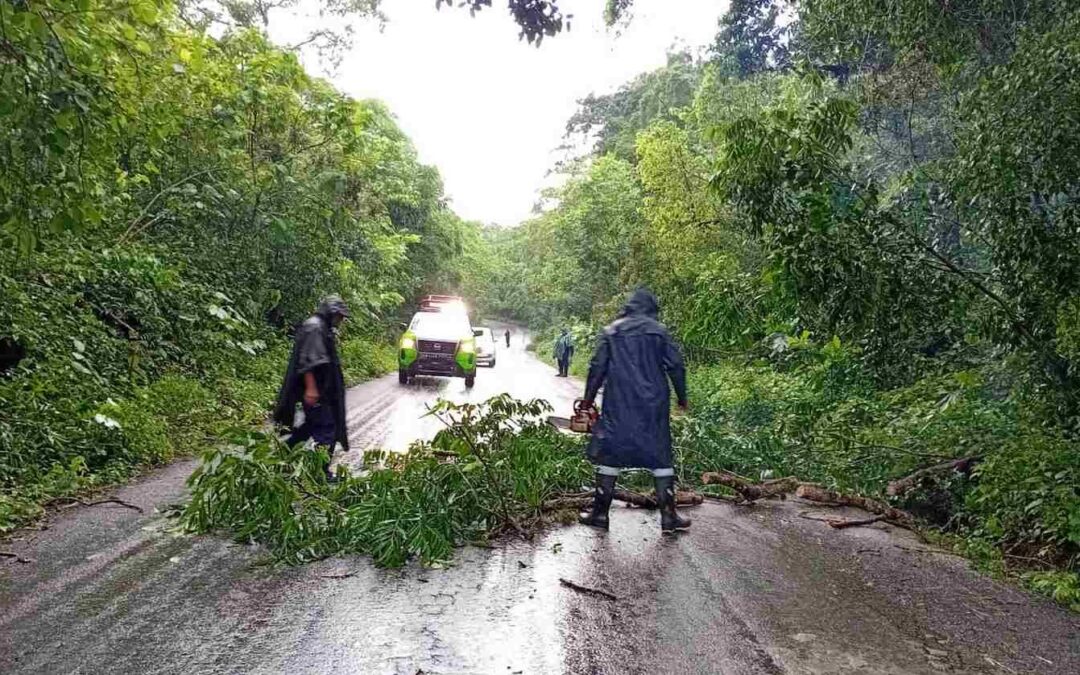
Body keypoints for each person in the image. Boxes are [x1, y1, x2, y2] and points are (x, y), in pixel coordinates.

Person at [578, 288, 690, 533]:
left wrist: (587, 401)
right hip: (653, 406)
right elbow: (676, 366)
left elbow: (597, 367)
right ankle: (669, 517)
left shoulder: (612, 331)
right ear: (651, 309)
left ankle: (599, 514)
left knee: (610, 453)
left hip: (618, 403)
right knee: (660, 454)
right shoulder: (659, 332)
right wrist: (682, 398)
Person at [273, 295, 351, 480]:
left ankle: (280, 458)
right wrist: (311, 389)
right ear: (331, 313)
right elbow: (309, 362)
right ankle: (320, 473)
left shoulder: (321, 327)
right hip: (317, 392)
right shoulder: (315, 327)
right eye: (340, 316)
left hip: (321, 391)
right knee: (327, 431)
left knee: (310, 427)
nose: (341, 320)